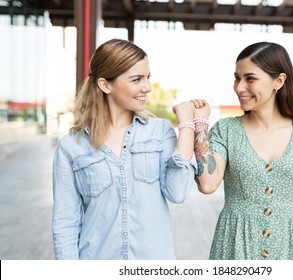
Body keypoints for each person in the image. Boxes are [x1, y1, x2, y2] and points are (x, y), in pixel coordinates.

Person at [52, 39, 197, 260]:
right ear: (105, 85)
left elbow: (177, 193)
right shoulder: (71, 147)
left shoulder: (159, 132)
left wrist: (187, 126)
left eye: (147, 77)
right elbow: (65, 224)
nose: (147, 87)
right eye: (136, 79)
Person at [192, 42, 293, 260]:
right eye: (237, 78)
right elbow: (208, 184)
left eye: (250, 78)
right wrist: (200, 124)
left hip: (290, 249)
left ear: (279, 81)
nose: (239, 87)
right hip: (236, 246)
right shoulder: (226, 130)